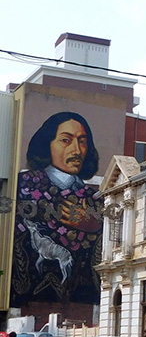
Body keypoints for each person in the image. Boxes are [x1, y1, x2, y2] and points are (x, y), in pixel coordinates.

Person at [12, 112, 103, 308]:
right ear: (47, 144)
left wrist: (93, 225)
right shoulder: (24, 186)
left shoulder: (96, 198)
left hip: (83, 299)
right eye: (65, 140)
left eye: (82, 142)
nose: (76, 150)